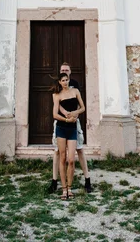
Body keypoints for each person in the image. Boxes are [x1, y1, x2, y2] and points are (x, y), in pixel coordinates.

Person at [49, 62, 92, 194]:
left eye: (67, 70)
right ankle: (55, 181)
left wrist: (74, 114)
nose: (65, 71)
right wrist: (66, 114)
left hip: (75, 123)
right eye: (63, 70)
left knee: (79, 149)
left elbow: (80, 105)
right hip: (62, 123)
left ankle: (87, 180)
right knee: (58, 152)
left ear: (70, 71)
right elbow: (56, 104)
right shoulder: (57, 86)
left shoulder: (75, 85)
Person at [52, 72, 85, 200]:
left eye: (67, 80)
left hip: (72, 129)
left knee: (71, 160)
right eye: (63, 80)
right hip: (61, 128)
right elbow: (55, 114)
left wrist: (74, 114)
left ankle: (70, 188)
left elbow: (83, 108)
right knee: (62, 158)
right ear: (60, 82)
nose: (65, 82)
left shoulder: (75, 91)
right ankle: (64, 189)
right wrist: (66, 120)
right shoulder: (58, 96)